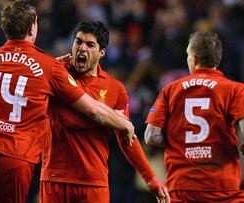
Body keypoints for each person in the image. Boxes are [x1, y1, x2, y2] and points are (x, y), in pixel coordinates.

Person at [0, 1, 136, 203]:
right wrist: (123, 123)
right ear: (32, 27)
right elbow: (93, 110)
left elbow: (19, 73)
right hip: (17, 159)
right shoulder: (49, 67)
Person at [40, 21, 170, 203]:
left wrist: (150, 178)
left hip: (94, 183)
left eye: (90, 45)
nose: (81, 48)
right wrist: (44, 71)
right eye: (78, 42)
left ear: (102, 52)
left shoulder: (115, 89)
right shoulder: (55, 74)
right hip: (55, 179)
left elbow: (127, 137)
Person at [145, 32, 244, 202]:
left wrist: (181, 139)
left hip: (181, 187)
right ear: (216, 60)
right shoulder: (236, 90)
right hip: (223, 188)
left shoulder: (170, 90)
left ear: (194, 59)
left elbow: (151, 137)